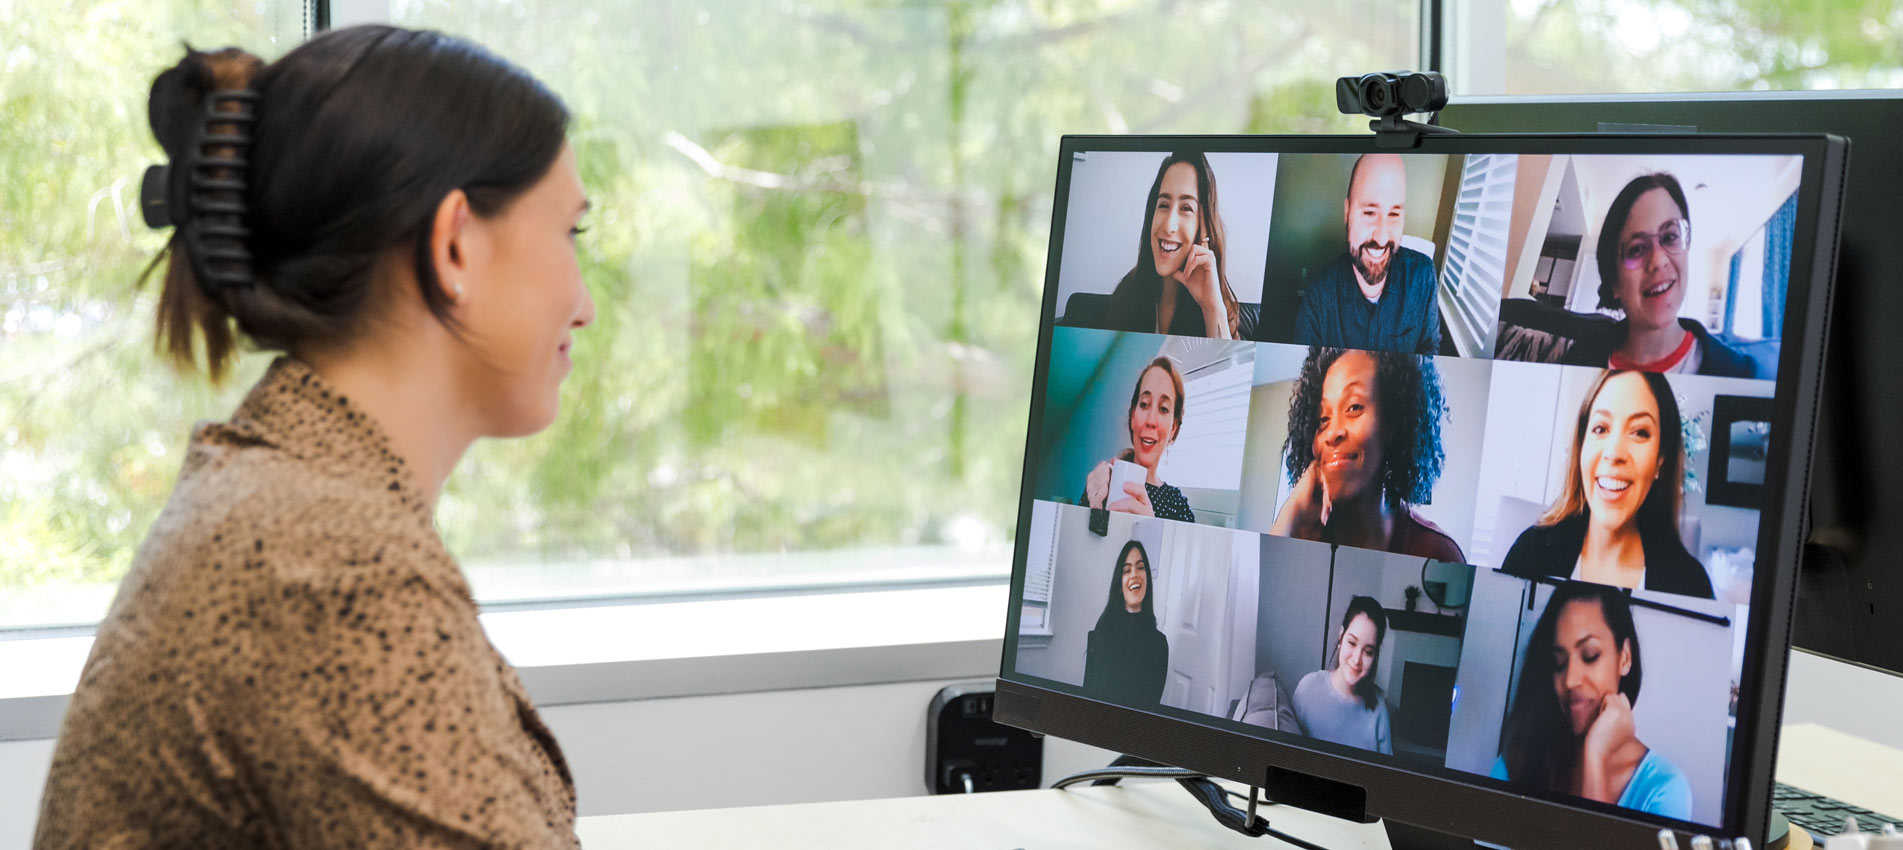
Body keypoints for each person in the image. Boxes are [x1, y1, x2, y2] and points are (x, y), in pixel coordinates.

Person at [34, 27, 595, 849]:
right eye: (569, 235)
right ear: (455, 247)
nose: (583, 303)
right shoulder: (332, 565)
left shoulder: (283, 493)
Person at [1500, 370, 1715, 598]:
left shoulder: (1691, 586)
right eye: (1600, 429)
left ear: (1660, 460)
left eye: (1640, 432)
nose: (1613, 453)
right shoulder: (1530, 552)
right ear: (1582, 445)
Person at [1492, 582, 1693, 820]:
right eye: (1559, 663)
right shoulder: (1519, 760)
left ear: (1625, 657)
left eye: (1590, 656)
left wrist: (1596, 755)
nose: (1569, 681)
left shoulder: (1664, 790)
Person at [1270, 348, 1464, 560]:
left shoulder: (1437, 553)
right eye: (1322, 419)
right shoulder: (1299, 535)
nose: (1332, 433)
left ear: (1392, 422)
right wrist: (1287, 523)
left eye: (1354, 407)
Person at [1561, 173, 1759, 377]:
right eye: (1636, 249)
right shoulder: (1578, 360)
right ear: (1614, 281)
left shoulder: (1738, 372)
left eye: (1670, 237)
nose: (1658, 260)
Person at [1293, 154, 1441, 355]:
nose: (1381, 238)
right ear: (1347, 213)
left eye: (1394, 214)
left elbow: (1429, 349)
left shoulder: (1423, 277)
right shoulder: (1318, 301)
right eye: (1370, 213)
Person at [1101, 152, 1255, 340]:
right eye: (1163, 205)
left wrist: (1211, 307)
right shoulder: (1126, 294)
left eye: (1186, 208)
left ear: (1204, 225)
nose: (1168, 225)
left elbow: (1227, 366)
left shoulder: (1219, 305)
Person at [1081, 356, 1197, 523]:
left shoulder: (1179, 507)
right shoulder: (1103, 482)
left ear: (1173, 429)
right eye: (1144, 404)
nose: (1151, 421)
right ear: (1133, 416)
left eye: (1163, 409)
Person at [1291, 596, 1393, 754]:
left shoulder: (1379, 708)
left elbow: (1386, 775)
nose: (1357, 659)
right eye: (1352, 643)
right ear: (1341, 637)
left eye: (1369, 652)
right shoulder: (1307, 688)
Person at [1081, 540, 1171, 706]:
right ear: (1119, 584)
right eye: (1126, 570)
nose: (1134, 575)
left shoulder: (1159, 645)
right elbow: (1087, 697)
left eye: (1140, 567)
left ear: (1147, 579)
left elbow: (1150, 708)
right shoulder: (1100, 635)